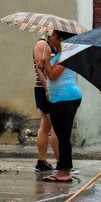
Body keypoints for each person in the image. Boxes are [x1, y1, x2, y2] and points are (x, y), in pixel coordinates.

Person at [42, 31, 81, 183]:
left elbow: (52, 75)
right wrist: (44, 64)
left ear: (60, 39)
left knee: (63, 136)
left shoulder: (66, 55)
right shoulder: (59, 56)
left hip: (66, 98)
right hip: (59, 98)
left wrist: (45, 61)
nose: (48, 37)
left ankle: (64, 171)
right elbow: (50, 75)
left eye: (50, 35)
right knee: (61, 135)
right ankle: (63, 170)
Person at [33, 32, 59, 172]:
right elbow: (40, 70)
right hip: (44, 90)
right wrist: (47, 88)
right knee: (55, 126)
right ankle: (61, 163)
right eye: (57, 35)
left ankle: (42, 161)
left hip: (47, 89)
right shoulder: (42, 45)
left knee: (46, 125)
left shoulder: (49, 45)